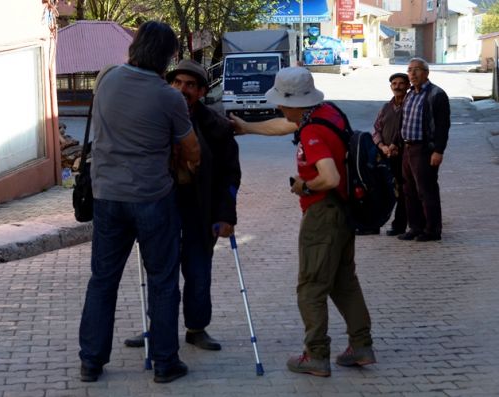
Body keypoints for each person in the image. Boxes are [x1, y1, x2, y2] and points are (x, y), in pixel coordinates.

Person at [230, 67, 375, 377]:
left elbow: (329, 176)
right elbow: (284, 126)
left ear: (294, 102)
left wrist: (304, 186)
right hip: (344, 211)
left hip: (323, 214)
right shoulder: (325, 113)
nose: (279, 107)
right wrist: (247, 127)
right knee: (343, 280)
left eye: (282, 102)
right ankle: (361, 346)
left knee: (311, 286)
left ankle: (316, 355)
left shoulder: (312, 131)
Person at [78, 21, 201, 384]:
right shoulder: (169, 97)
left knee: (102, 280)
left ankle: (91, 362)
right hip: (152, 198)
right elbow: (191, 150)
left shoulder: (107, 81)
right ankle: (165, 363)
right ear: (166, 57)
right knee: (162, 281)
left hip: (107, 197)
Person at [124, 59, 241, 351]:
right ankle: (157, 327)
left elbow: (230, 175)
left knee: (198, 270)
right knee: (160, 270)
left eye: (190, 85)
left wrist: (226, 215)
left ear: (202, 91)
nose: (182, 89)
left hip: (200, 207)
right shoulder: (155, 118)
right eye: (177, 83)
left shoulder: (216, 126)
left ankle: (196, 328)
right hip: (162, 204)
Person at [397, 58, 450, 242]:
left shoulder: (437, 94)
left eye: (417, 70)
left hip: (424, 149)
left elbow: (443, 126)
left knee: (426, 190)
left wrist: (438, 150)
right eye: (410, 70)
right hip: (408, 147)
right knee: (409, 190)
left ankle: (432, 230)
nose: (412, 74)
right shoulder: (410, 94)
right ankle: (415, 227)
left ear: (426, 72)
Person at [357, 72, 410, 236]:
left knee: (402, 192)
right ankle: (373, 224)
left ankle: (399, 225)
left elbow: (407, 128)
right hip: (384, 156)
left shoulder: (410, 105)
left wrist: (394, 145)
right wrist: (381, 145)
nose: (398, 86)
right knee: (380, 190)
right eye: (394, 84)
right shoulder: (386, 107)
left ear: (408, 86)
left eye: (401, 83)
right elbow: (377, 129)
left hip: (404, 155)